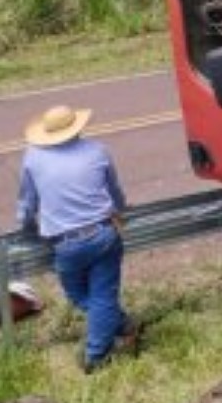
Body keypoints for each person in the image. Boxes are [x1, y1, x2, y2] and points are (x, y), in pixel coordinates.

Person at [18, 105, 137, 372]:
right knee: (101, 296)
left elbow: (27, 203)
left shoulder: (33, 157)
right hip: (104, 232)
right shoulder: (97, 151)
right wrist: (121, 209)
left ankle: (95, 356)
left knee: (80, 295)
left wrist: (26, 228)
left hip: (66, 243)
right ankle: (118, 323)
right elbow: (115, 191)